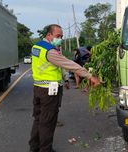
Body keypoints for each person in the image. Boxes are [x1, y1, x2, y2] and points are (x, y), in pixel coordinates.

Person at [29, 24, 100, 152]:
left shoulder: (36, 46)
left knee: (38, 119)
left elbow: (56, 66)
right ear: (49, 35)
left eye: (61, 36)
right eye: (58, 36)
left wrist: (66, 79)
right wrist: (90, 76)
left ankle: (34, 147)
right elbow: (69, 64)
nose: (60, 38)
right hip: (49, 91)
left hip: (38, 87)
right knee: (48, 122)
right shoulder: (50, 51)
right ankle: (46, 149)